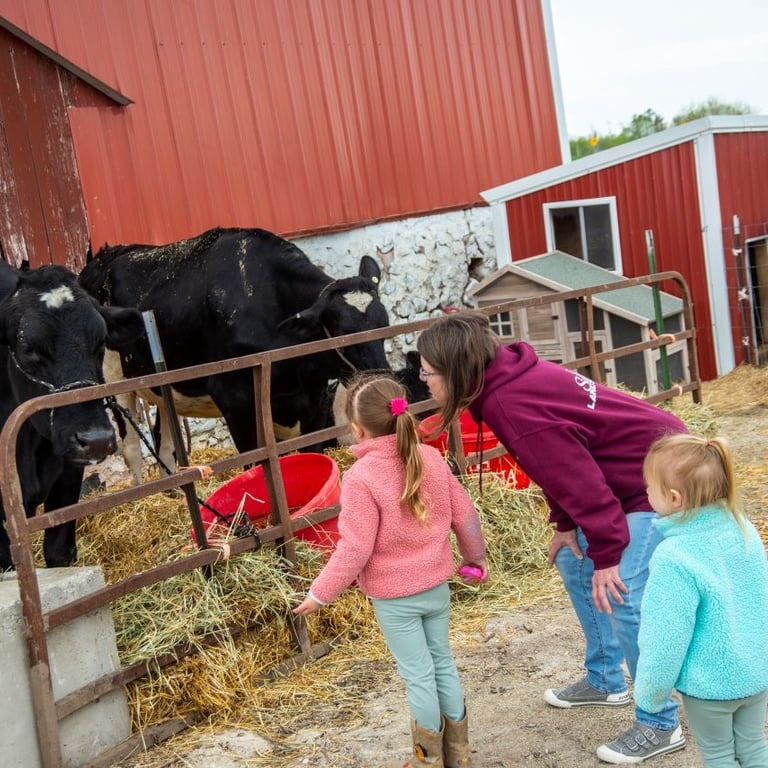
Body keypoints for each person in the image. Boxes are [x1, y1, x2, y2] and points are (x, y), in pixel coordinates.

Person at [416, 309, 689, 764]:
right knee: (572, 558)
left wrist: (608, 555)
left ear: (456, 369)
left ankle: (660, 721)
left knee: (621, 586)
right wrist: (565, 525)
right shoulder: (508, 382)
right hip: (632, 469)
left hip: (663, 474)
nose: (423, 381)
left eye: (428, 372)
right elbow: (557, 462)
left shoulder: (511, 402)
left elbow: (582, 481)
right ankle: (606, 679)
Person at [293, 373, 488, 768]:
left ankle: (427, 761)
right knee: (442, 663)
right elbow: (465, 515)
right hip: (436, 586)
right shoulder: (430, 457)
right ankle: (459, 756)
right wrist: (474, 558)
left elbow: (355, 547)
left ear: (357, 428)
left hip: (395, 599)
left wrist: (319, 593)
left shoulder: (361, 477)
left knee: (418, 675)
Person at [636, 433, 768, 767]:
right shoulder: (742, 528)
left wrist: (651, 693)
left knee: (719, 755)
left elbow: (665, 635)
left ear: (674, 498)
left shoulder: (674, 556)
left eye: (649, 487)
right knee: (754, 749)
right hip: (756, 672)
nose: (646, 493)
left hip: (710, 683)